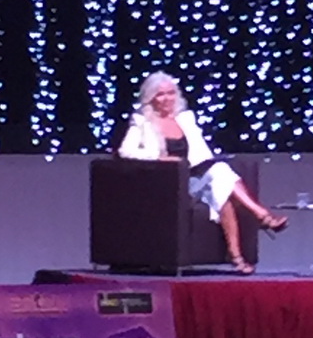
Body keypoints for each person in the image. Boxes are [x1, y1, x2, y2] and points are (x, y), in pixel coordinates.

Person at [118, 72, 287, 274]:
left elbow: (201, 152)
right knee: (221, 185)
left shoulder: (185, 119)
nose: (167, 99)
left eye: (171, 93)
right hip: (169, 184)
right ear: (150, 98)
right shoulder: (142, 122)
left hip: (196, 176)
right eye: (160, 94)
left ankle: (240, 249)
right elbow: (125, 151)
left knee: (220, 181)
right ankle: (260, 221)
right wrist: (159, 158)